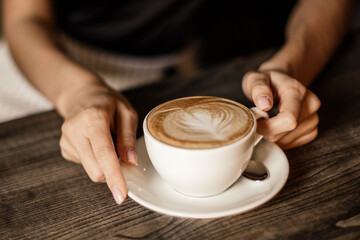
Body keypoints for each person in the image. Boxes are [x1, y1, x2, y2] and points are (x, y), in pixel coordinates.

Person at [2, 0, 352, 205]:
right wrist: (78, 92)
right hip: (43, 70)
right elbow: (23, 18)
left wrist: (292, 67)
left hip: (170, 76)